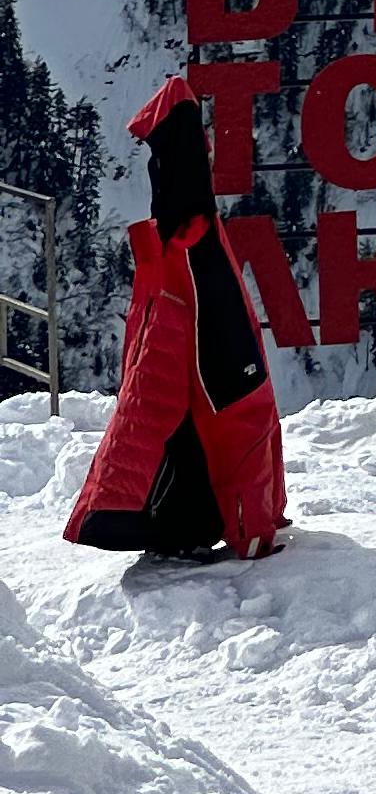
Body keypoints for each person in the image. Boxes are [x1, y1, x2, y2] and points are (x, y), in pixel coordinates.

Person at [65, 78, 286, 560]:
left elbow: (235, 398)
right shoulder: (190, 252)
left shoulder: (184, 259)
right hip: (187, 501)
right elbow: (239, 397)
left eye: (161, 164)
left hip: (181, 506)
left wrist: (253, 525)